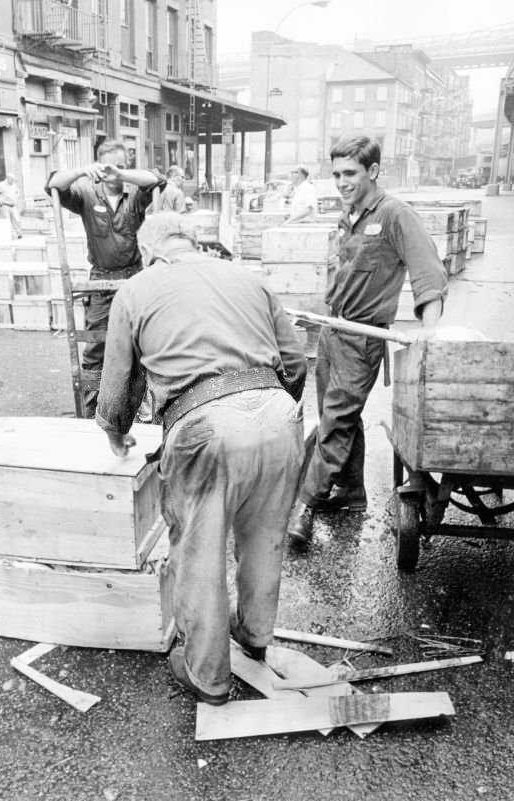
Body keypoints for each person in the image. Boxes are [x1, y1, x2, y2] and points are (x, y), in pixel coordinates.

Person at [96, 212, 307, 705]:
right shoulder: (248, 277)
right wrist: (271, 417)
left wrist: (115, 431)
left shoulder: (136, 290)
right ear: (193, 243)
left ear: (150, 251)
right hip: (279, 414)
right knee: (265, 537)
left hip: (205, 426)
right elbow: (294, 363)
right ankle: (254, 637)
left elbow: (117, 386)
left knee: (200, 554)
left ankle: (208, 677)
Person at [287, 135, 448, 548]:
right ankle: (351, 492)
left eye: (350, 174)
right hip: (332, 330)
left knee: (336, 419)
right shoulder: (351, 214)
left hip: (362, 337)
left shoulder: (394, 214)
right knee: (334, 412)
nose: (341, 182)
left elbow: (427, 269)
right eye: (336, 174)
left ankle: (306, 503)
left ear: (373, 171)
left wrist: (429, 327)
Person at [45, 139, 164, 417]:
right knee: (96, 347)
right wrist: (85, 170)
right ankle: (91, 411)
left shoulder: (134, 192)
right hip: (100, 280)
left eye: (121, 166)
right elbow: (54, 183)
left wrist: (121, 173)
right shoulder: (87, 194)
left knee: (140, 344)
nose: (114, 173)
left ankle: (139, 408)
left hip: (135, 278)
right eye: (110, 167)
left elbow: (156, 180)